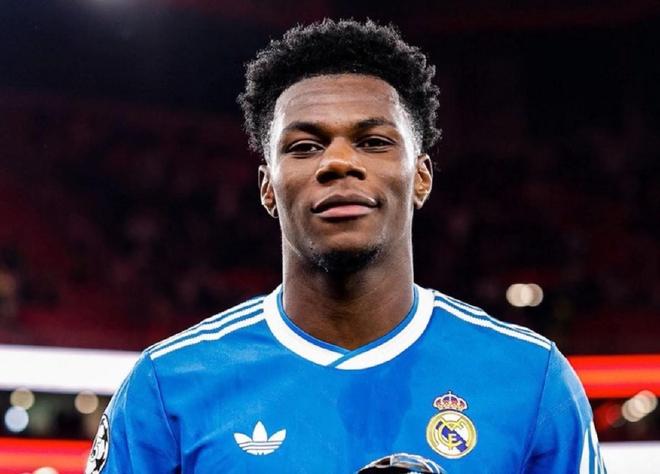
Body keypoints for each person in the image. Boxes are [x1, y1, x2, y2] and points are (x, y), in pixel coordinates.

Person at [87, 19, 607, 473]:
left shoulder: (531, 380)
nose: (338, 162)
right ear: (268, 187)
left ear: (421, 176)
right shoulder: (167, 387)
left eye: (374, 142)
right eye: (305, 146)